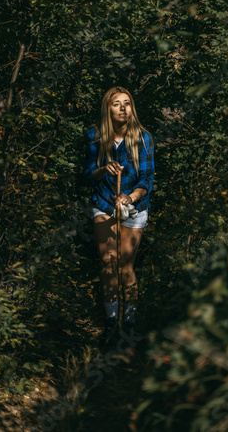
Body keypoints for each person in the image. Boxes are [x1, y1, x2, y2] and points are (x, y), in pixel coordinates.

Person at [83, 86, 155, 345]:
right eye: (117, 103)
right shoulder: (95, 135)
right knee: (108, 261)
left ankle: (130, 322)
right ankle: (111, 322)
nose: (123, 108)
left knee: (125, 265)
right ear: (108, 108)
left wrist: (130, 197)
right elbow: (88, 174)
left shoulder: (143, 138)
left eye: (127, 103)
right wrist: (104, 169)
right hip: (104, 203)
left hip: (133, 206)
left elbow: (147, 178)